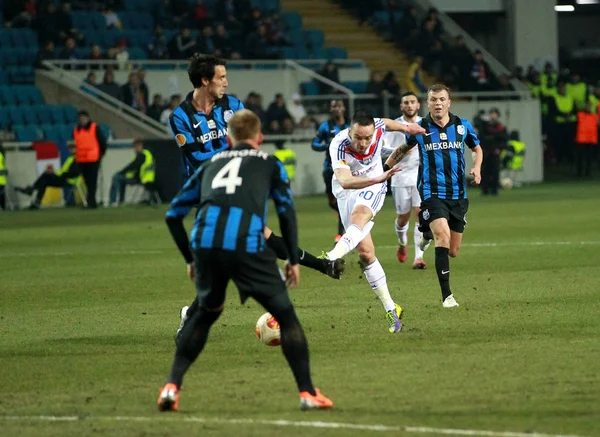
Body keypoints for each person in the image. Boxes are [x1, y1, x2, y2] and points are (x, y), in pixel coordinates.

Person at [157, 109, 333, 412]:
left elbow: (173, 214)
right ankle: (307, 393)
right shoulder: (270, 163)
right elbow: (286, 213)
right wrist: (292, 258)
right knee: (286, 318)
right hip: (246, 244)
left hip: (205, 243)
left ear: (228, 138)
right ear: (260, 137)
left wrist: (190, 259)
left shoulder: (210, 162)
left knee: (205, 314)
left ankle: (171, 386)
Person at [169, 55, 345, 340]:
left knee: (260, 239)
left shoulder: (234, 106)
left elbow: (249, 137)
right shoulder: (180, 116)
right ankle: (192, 316)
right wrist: (233, 153)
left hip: (238, 185)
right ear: (205, 80)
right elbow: (196, 158)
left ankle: (322, 266)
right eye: (221, 77)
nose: (226, 83)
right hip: (208, 191)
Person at [321, 110, 426, 333]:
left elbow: (386, 123)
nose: (363, 142)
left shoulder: (377, 127)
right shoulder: (338, 144)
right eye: (358, 137)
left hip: (374, 187)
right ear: (350, 132)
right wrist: (377, 176)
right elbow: (345, 181)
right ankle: (391, 308)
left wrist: (408, 128)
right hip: (347, 190)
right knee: (366, 254)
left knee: (358, 218)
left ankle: (332, 256)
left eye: (367, 138)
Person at [384, 84, 483, 308]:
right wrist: (384, 170)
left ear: (449, 102)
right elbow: (401, 149)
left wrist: (477, 168)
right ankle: (447, 296)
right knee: (443, 238)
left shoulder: (461, 126)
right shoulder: (420, 128)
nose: (438, 103)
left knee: (453, 251)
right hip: (431, 193)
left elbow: (477, 148)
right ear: (427, 104)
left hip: (458, 194)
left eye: (441, 99)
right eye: (433, 100)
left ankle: (425, 234)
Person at [381, 92, 427, 269]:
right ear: (401, 106)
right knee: (402, 218)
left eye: (412, 102)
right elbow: (382, 149)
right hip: (399, 175)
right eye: (406, 102)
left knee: (420, 215)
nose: (409, 105)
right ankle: (401, 243)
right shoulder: (395, 126)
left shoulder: (425, 124)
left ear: (418, 105)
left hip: (419, 175)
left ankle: (418, 257)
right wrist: (400, 149)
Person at [311, 100, 349, 242]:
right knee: (332, 202)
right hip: (328, 168)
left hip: (345, 168)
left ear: (344, 108)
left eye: (339, 106)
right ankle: (344, 217)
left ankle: (340, 234)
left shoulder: (350, 126)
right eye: (334, 106)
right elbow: (314, 144)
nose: (337, 109)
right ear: (330, 109)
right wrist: (326, 146)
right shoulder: (325, 126)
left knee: (342, 200)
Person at [15, 144, 80, 209]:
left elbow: (74, 173)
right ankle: (36, 202)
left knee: (45, 175)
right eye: (70, 148)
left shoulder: (76, 158)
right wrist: (55, 174)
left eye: (72, 148)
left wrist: (59, 175)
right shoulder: (71, 158)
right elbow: (64, 171)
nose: (71, 150)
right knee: (44, 181)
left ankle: (31, 190)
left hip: (69, 180)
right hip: (63, 178)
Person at [108, 139, 158, 206]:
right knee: (121, 179)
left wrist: (121, 172)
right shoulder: (148, 154)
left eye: (136, 146)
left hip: (140, 178)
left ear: (140, 146)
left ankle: (112, 201)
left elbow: (133, 166)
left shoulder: (142, 155)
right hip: (147, 178)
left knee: (116, 177)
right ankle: (121, 201)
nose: (135, 149)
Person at [73, 110, 107, 209]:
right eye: (80, 118)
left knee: (92, 181)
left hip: (93, 158)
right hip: (81, 159)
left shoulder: (94, 127)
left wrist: (100, 155)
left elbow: (102, 142)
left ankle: (91, 202)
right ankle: (92, 202)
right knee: (87, 181)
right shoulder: (76, 130)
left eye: (84, 118)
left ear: (88, 118)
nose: (82, 120)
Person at [479, 108, 507, 196]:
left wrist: (500, 149)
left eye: (494, 114)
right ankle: (485, 190)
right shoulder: (484, 126)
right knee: (484, 171)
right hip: (486, 152)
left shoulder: (500, 127)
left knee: (495, 171)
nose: (492, 115)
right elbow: (480, 138)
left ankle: (494, 190)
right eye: (491, 113)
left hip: (495, 152)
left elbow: (504, 140)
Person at [574, 101, 599, 178]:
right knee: (580, 157)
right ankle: (579, 173)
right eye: (587, 106)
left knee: (589, 158)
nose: (588, 107)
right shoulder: (580, 114)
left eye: (589, 106)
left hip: (591, 140)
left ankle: (587, 172)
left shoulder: (595, 116)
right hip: (581, 139)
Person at [0, 145, 7, 210]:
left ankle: (2, 207)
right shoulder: (2, 154)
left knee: (1, 193)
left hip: (1, 178)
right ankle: (3, 207)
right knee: (2, 193)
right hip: (2, 178)